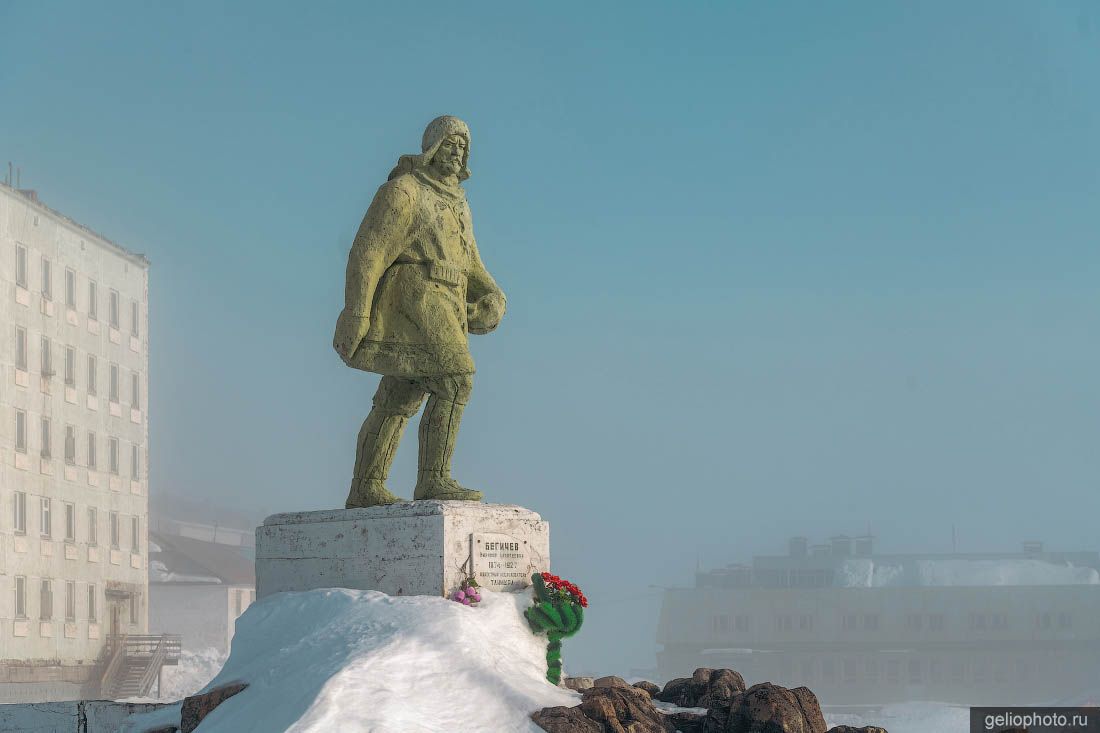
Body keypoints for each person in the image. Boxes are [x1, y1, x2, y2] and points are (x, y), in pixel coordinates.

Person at [332, 115, 506, 508]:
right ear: (431, 147)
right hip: (414, 298)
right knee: (456, 381)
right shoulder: (404, 191)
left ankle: (366, 487)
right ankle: (434, 480)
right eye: (449, 143)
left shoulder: (458, 202)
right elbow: (368, 252)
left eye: (463, 146)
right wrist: (356, 313)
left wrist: (494, 295)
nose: (456, 151)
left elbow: (472, 263)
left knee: (402, 390)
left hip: (449, 302)